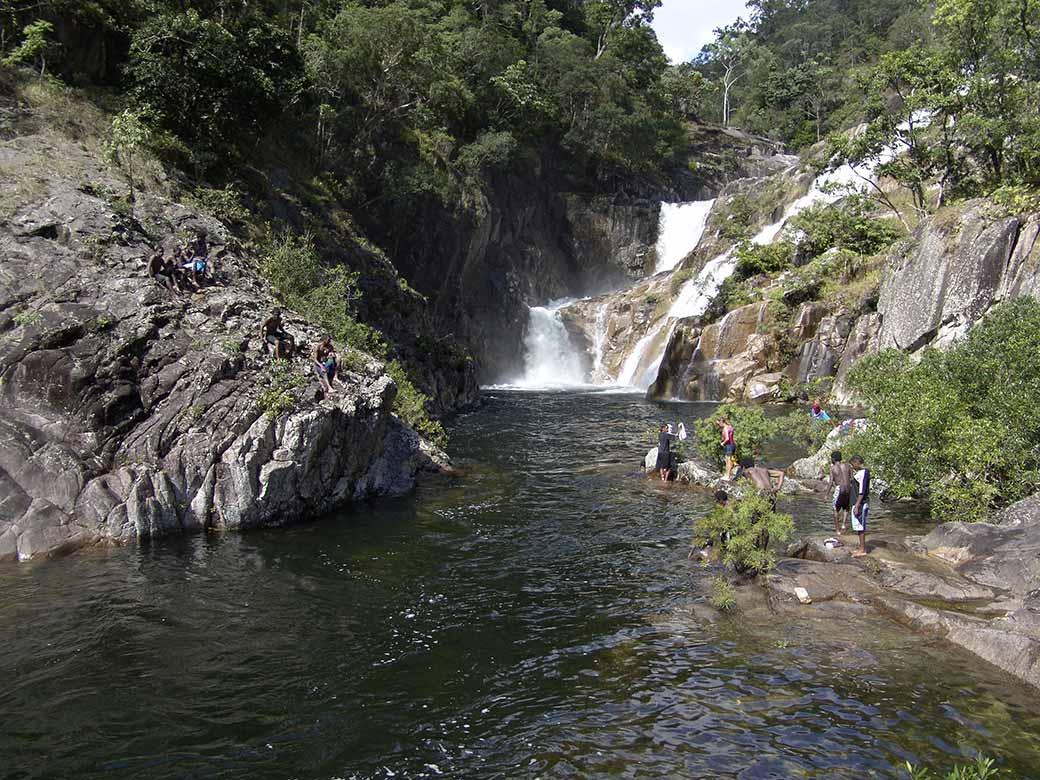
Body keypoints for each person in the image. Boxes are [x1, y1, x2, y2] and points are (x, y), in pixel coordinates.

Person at [849, 455, 871, 557]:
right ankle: (861, 547)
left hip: (860, 504)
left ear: (856, 463)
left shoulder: (863, 473)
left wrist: (857, 505)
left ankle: (862, 550)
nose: (852, 466)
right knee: (858, 526)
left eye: (852, 464)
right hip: (856, 503)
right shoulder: (859, 473)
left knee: (861, 526)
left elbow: (861, 491)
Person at [829, 450, 853, 535]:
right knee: (846, 507)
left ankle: (837, 531)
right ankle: (843, 525)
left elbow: (831, 482)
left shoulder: (833, 468)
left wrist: (826, 494)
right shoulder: (848, 466)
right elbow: (852, 479)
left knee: (836, 509)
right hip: (848, 488)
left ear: (833, 459)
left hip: (839, 488)